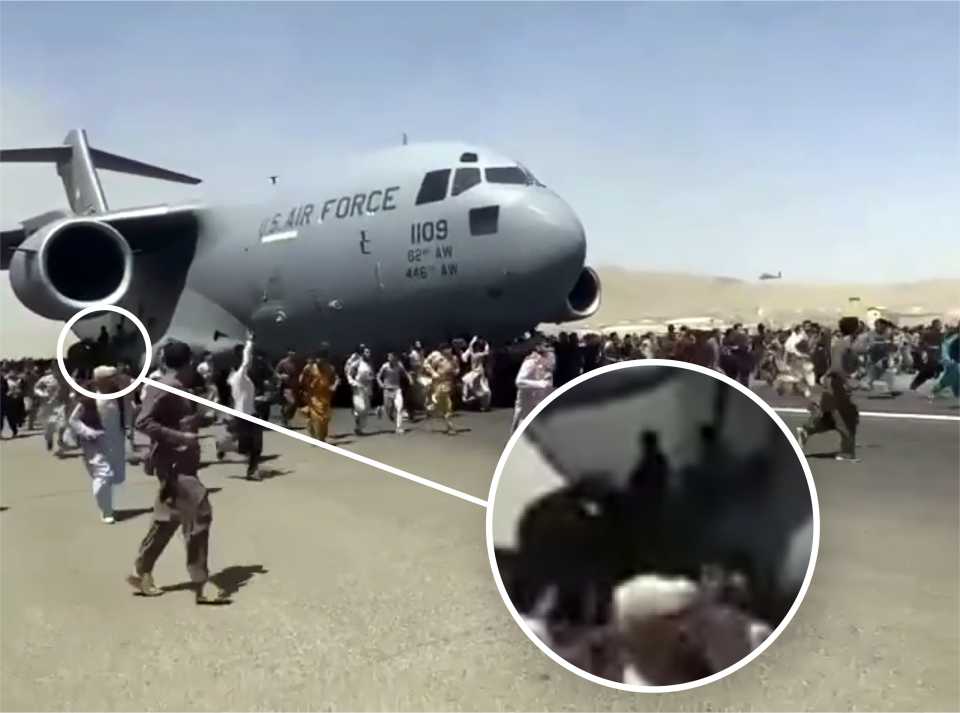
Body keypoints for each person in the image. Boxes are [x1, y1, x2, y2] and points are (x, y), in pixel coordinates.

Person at [128, 340, 230, 605]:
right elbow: (143, 421)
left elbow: (170, 419)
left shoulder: (178, 387)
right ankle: (201, 584)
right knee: (200, 514)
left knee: (167, 519)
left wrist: (200, 420)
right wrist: (180, 436)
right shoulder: (166, 387)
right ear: (190, 362)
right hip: (174, 465)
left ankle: (142, 571)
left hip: (178, 462)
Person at [67, 366, 128, 524]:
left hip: (115, 442)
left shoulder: (119, 396)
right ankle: (106, 511)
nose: (114, 380)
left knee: (115, 477)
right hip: (95, 444)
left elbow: (127, 413)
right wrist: (88, 432)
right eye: (110, 377)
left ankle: (107, 504)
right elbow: (73, 420)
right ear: (100, 380)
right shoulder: (88, 399)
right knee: (103, 476)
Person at [796, 317, 861, 462]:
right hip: (836, 386)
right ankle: (846, 452)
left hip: (837, 384)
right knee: (846, 418)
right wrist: (847, 381)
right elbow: (837, 368)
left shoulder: (848, 344)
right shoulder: (841, 344)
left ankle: (807, 430)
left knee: (836, 418)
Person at [223, 333, 262, 480]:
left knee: (253, 445)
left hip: (249, 414)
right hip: (244, 415)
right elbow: (246, 361)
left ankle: (252, 471)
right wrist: (250, 342)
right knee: (248, 446)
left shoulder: (239, 379)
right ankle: (223, 446)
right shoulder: (239, 376)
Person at [511, 344, 554, 434]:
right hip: (526, 407)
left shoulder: (546, 365)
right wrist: (539, 384)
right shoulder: (530, 363)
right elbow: (519, 381)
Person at [299, 347, 339, 442]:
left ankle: (321, 436)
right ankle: (318, 438)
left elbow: (335, 379)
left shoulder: (330, 368)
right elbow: (302, 380)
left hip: (326, 397)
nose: (319, 360)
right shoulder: (310, 368)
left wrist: (334, 386)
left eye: (322, 358)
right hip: (314, 396)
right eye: (318, 358)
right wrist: (306, 388)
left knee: (325, 419)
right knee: (316, 418)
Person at [424, 344, 458, 434]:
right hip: (438, 382)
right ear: (442, 350)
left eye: (450, 349)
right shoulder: (437, 357)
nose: (449, 351)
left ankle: (432, 405)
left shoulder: (453, 359)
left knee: (445, 405)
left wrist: (456, 372)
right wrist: (433, 372)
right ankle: (450, 426)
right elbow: (426, 363)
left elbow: (456, 368)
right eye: (446, 349)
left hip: (448, 383)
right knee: (447, 404)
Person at [377, 352, 410, 434]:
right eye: (388, 357)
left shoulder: (399, 365)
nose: (390, 358)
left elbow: (405, 373)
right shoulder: (385, 366)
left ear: (395, 357)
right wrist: (381, 384)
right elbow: (378, 376)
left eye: (391, 357)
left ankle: (398, 428)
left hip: (397, 389)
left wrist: (410, 379)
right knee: (389, 411)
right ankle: (381, 409)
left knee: (399, 408)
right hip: (387, 390)